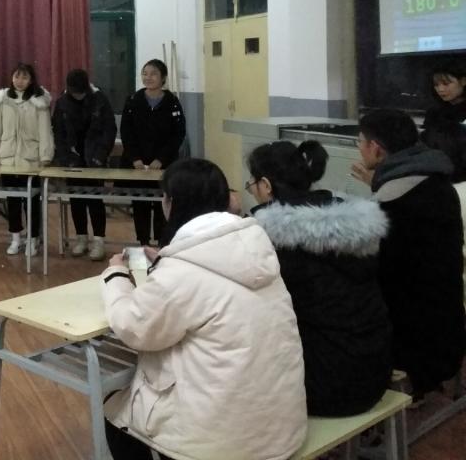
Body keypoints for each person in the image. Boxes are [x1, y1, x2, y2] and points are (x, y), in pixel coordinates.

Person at [101, 158, 307, 460]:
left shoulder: (181, 272)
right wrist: (167, 262)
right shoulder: (257, 249)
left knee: (113, 413)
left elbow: (133, 327)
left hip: (220, 446)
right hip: (281, 432)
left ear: (171, 203)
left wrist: (116, 275)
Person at [248, 140, 391, 416]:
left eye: (251, 184)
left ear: (265, 185)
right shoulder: (350, 223)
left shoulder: (271, 241)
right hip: (375, 370)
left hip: (325, 385)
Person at [353, 108, 466, 398]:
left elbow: (379, 272)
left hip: (412, 343)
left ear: (376, 149)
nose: (359, 148)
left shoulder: (390, 204)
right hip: (449, 327)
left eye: (360, 141)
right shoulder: (440, 183)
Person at [0, 63, 53, 256]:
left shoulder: (38, 101)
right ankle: (15, 238)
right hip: (7, 160)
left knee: (32, 202)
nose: (20, 81)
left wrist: (45, 156)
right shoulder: (2, 100)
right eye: (17, 76)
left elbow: (45, 131)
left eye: (24, 77)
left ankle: (33, 238)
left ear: (31, 80)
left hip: (31, 160)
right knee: (12, 201)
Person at [119, 59, 186, 246]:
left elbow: (178, 134)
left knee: (162, 201)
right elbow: (126, 132)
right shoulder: (133, 100)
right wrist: (135, 158)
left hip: (164, 163)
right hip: (138, 164)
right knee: (139, 202)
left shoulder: (172, 102)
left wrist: (161, 159)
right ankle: (143, 242)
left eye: (153, 74)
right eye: (145, 73)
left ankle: (161, 242)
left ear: (163, 78)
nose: (148, 77)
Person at [52, 69, 117, 260]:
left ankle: (99, 241)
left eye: (80, 93)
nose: (78, 96)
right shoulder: (62, 103)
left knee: (95, 200)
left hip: (94, 158)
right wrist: (65, 157)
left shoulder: (99, 100)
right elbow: (58, 133)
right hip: (73, 159)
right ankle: (81, 238)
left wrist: (100, 156)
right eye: (74, 93)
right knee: (76, 200)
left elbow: (109, 130)